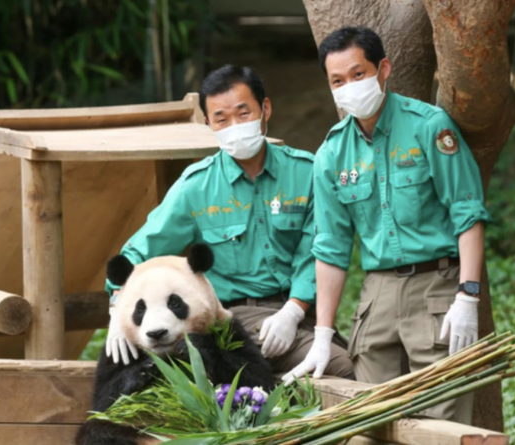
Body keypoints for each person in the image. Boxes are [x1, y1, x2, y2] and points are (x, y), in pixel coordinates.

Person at [283, 26, 491, 424]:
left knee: (441, 418)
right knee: (372, 419)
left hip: (437, 286)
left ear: (383, 69)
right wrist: (323, 334)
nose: (349, 87)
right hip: (376, 294)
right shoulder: (330, 154)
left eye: (358, 74)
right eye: (337, 81)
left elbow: (468, 212)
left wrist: (467, 295)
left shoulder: (429, 126)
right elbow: (330, 247)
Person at [105, 64, 354, 380]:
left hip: (299, 313)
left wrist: (292, 311)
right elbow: (140, 250)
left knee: (351, 360)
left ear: (265, 109)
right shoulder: (196, 186)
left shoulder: (307, 172)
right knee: (343, 368)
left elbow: (318, 250)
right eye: (221, 119)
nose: (234, 125)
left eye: (243, 113)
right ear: (208, 123)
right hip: (232, 317)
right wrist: (117, 307)